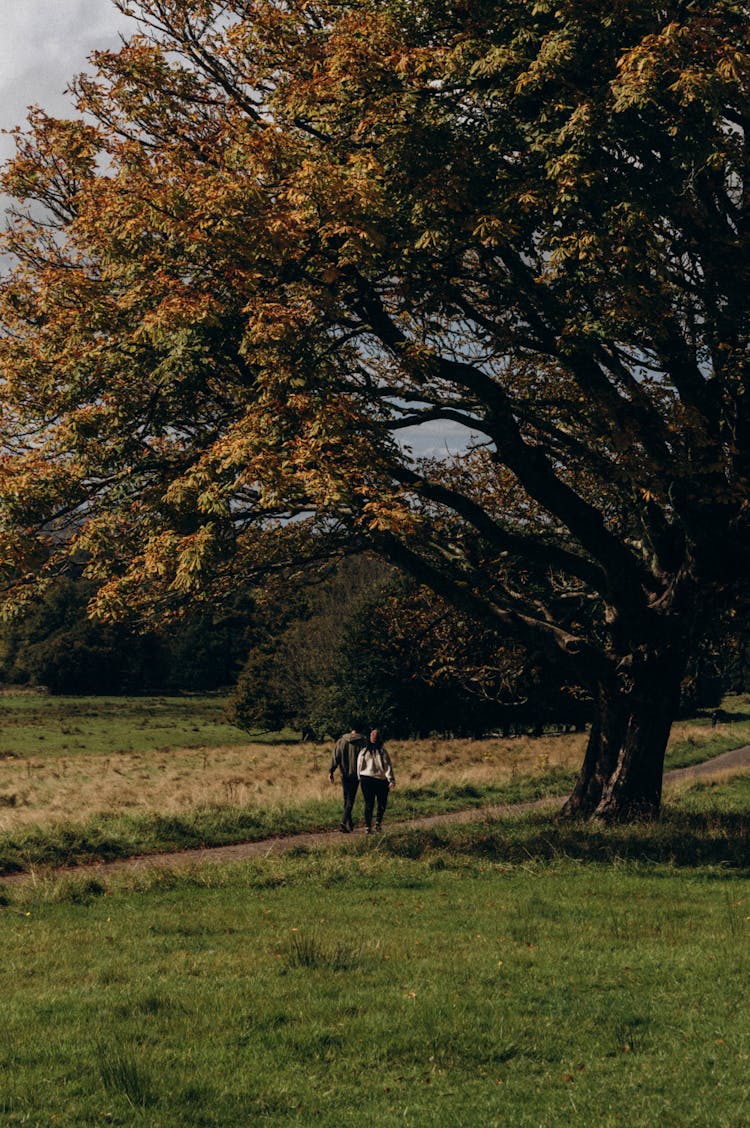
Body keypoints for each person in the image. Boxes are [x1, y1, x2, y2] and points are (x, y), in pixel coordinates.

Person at [329, 723, 368, 832]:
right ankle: (343, 822)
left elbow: (335, 757)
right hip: (356, 774)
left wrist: (331, 771)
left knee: (346, 798)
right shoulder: (364, 741)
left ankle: (349, 824)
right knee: (351, 798)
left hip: (344, 773)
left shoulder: (341, 741)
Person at [357, 728, 395, 834]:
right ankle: (377, 823)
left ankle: (368, 827)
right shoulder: (382, 751)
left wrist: (359, 778)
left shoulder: (363, 751)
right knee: (381, 803)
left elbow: (358, 766)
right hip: (380, 780)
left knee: (369, 803)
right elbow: (388, 766)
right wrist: (391, 779)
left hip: (366, 779)